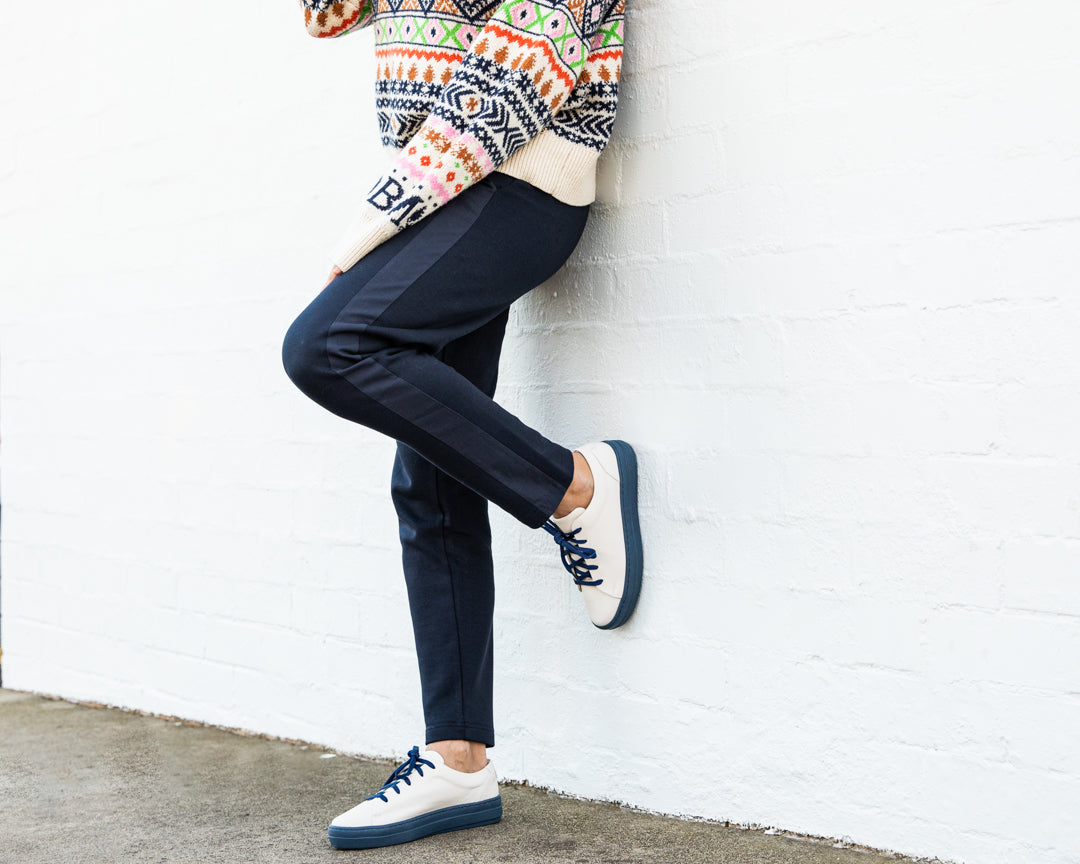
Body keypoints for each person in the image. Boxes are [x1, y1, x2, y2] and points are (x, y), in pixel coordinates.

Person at [281, 0, 639, 850]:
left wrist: (380, 219)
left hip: (516, 181)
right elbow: (328, 15)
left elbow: (526, 65)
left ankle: (573, 486)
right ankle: (459, 760)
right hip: (449, 186)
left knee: (329, 345)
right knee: (431, 478)